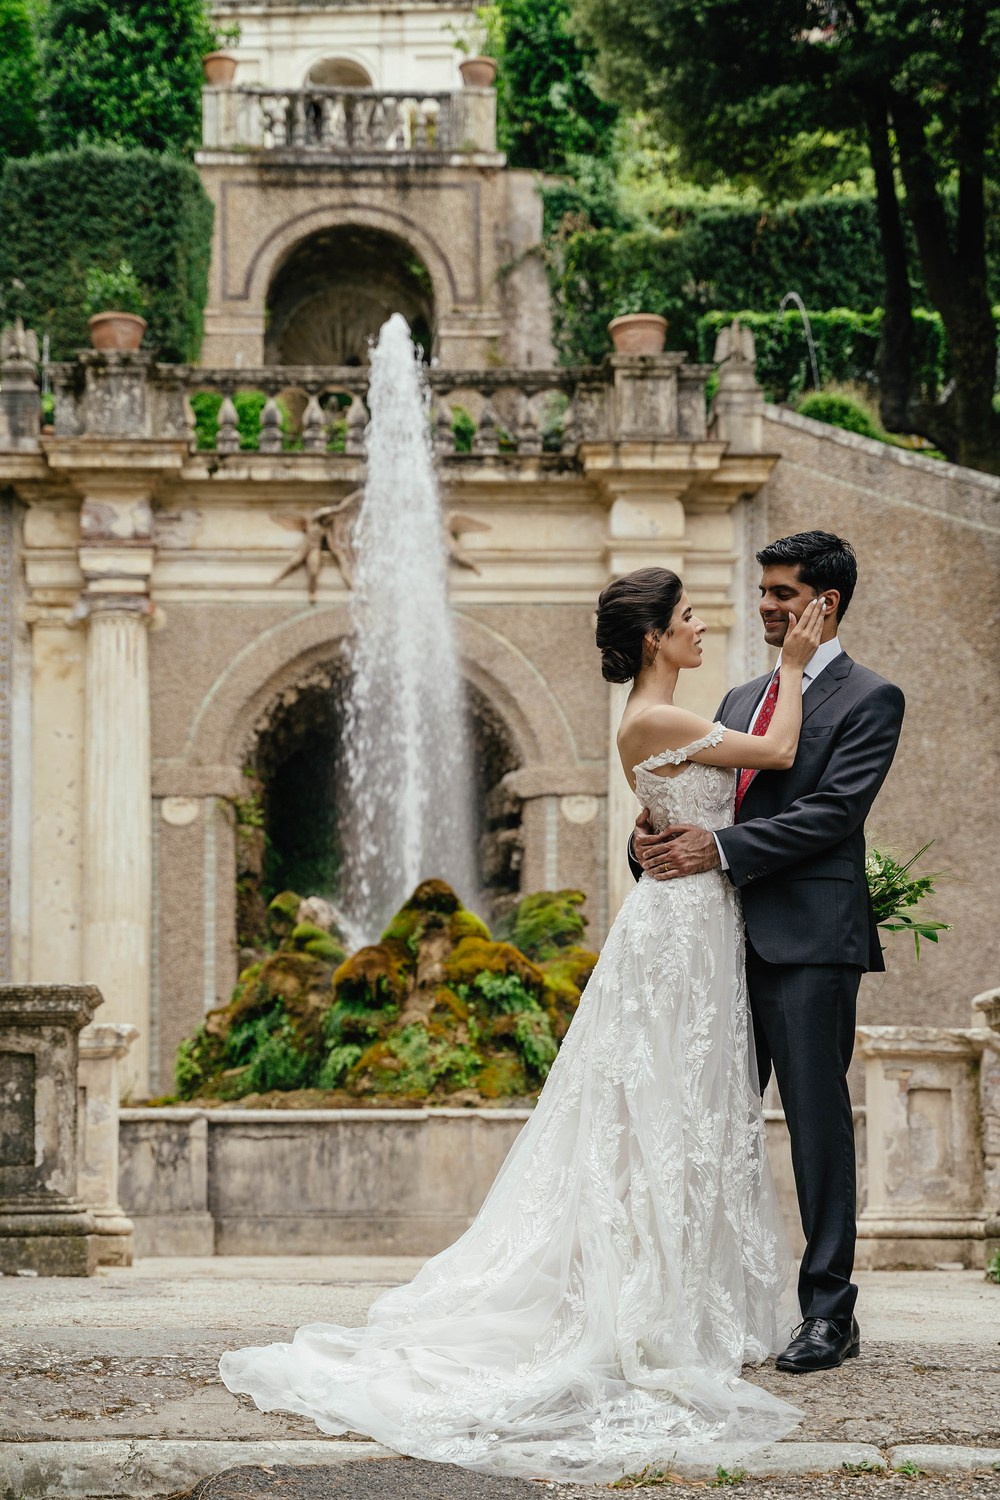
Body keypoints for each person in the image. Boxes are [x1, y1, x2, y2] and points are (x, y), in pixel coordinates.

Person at [218, 569, 825, 1482]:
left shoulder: (663, 723)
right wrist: (796, 660)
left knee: (688, 1108)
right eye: (690, 619)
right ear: (655, 638)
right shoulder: (653, 718)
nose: (703, 630)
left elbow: (691, 809)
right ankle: (646, 1304)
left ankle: (687, 1296)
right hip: (680, 928)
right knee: (657, 1109)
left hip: (697, 920)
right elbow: (777, 754)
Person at [629, 531, 905, 1374]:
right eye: (763, 593)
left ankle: (829, 1312)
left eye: (783, 594)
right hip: (715, 942)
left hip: (811, 943)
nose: (766, 608)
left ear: (827, 603)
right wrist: (647, 842)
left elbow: (833, 815)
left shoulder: (871, 698)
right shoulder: (745, 695)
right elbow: (691, 790)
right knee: (708, 1123)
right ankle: (700, 1301)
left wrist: (719, 850)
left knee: (818, 1127)